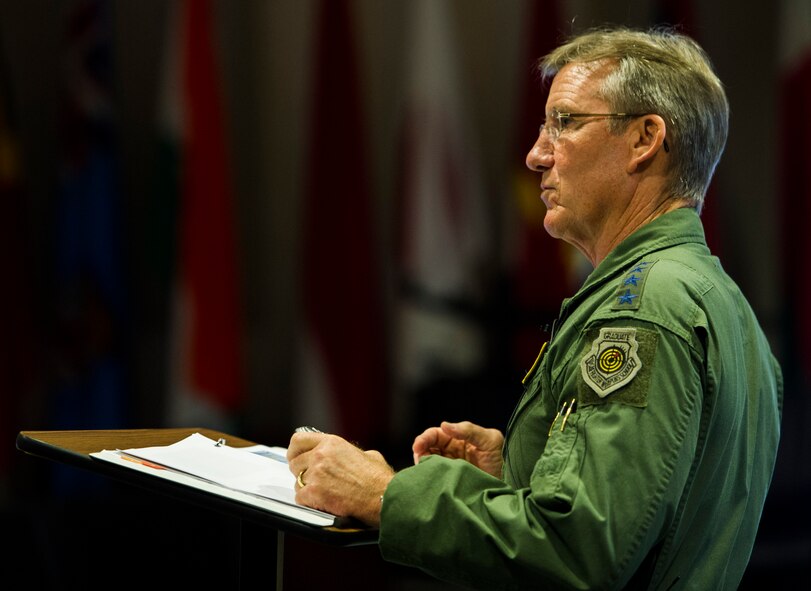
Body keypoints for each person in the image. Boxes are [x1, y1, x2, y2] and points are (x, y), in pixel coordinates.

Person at [287, 26, 782, 589]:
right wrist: (521, 472)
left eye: (566, 122)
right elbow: (653, 517)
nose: (536, 154)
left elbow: (578, 555)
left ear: (645, 138)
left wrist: (384, 494)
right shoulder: (717, 298)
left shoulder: (645, 307)